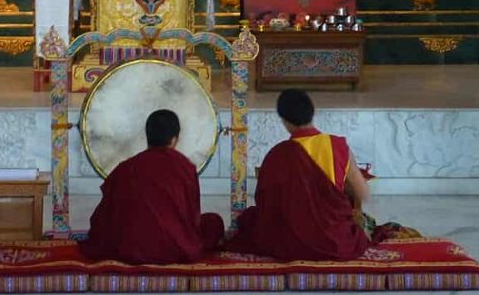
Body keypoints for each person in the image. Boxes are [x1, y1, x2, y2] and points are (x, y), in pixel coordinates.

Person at [228, 89, 371, 261]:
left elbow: (265, 203)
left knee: (249, 219)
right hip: (334, 242)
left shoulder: (278, 154)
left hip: (289, 243)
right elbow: (363, 192)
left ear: (284, 121)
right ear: (313, 112)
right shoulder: (338, 146)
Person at [80, 109, 225, 264]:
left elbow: (103, 216)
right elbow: (191, 216)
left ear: (147, 136)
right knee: (213, 223)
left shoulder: (126, 168)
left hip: (129, 250)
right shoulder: (185, 167)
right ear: (175, 139)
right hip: (177, 249)